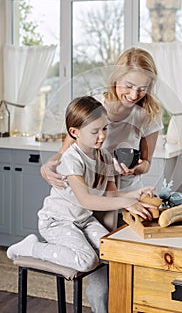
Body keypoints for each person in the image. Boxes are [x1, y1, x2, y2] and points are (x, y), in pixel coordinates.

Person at [7, 96, 157, 313]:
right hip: (58, 222)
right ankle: (31, 247)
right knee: (87, 260)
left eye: (105, 129)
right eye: (95, 132)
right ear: (74, 132)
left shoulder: (105, 157)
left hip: (83, 220)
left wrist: (134, 195)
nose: (102, 136)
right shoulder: (71, 159)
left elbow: (111, 194)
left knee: (110, 251)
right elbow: (85, 199)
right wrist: (127, 202)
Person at [41, 47, 163, 196]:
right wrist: (46, 167)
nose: (133, 95)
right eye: (129, 86)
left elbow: (146, 163)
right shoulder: (94, 106)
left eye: (142, 88)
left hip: (128, 192)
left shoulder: (149, 115)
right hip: (93, 192)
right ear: (117, 78)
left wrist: (134, 169)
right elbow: (64, 153)